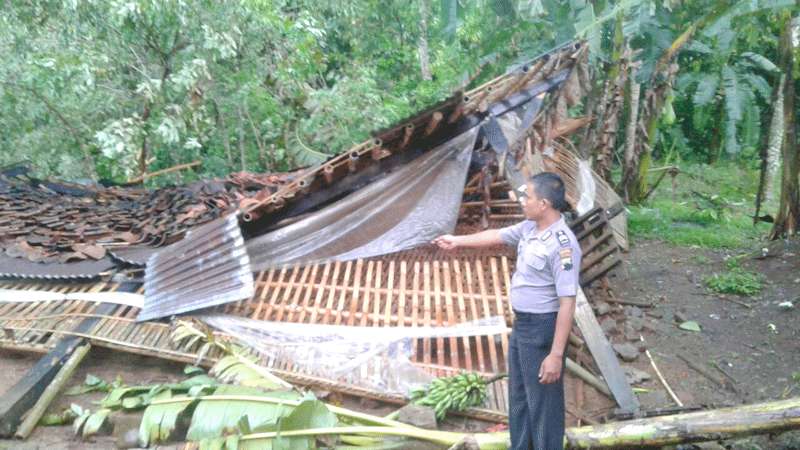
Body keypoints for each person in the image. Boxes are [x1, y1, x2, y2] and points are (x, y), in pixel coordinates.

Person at [433, 172, 581, 449]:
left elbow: (567, 302)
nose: (522, 201)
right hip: (523, 325)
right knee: (521, 396)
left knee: (543, 403)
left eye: (528, 197)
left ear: (544, 204)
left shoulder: (563, 246)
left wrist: (556, 355)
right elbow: (495, 235)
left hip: (542, 329)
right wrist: (457, 240)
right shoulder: (529, 228)